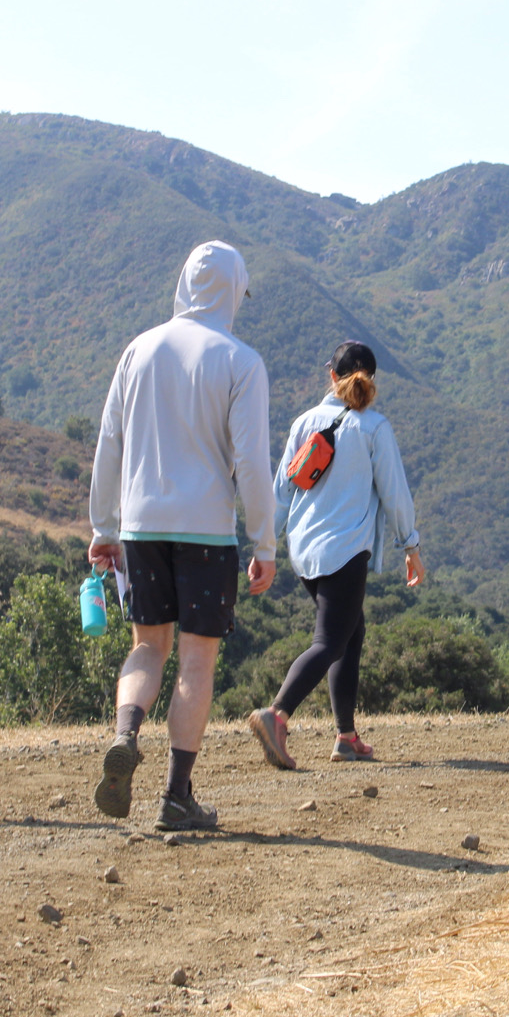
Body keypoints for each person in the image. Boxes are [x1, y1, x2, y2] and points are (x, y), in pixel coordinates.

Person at [88, 240, 277, 831]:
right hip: (206, 531)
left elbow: (110, 443)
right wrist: (265, 543)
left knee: (149, 646)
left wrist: (104, 528)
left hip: (141, 526)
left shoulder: (138, 350)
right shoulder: (241, 361)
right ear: (233, 292)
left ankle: (126, 735)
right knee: (197, 659)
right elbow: (251, 462)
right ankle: (175, 797)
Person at [248, 340, 421, 771]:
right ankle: (277, 714)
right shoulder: (374, 428)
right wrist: (411, 546)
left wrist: (265, 546)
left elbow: (280, 493)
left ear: (332, 376)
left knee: (350, 633)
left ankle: (346, 737)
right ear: (372, 381)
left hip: (305, 551)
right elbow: (395, 493)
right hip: (345, 551)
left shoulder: (304, 422)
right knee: (329, 642)